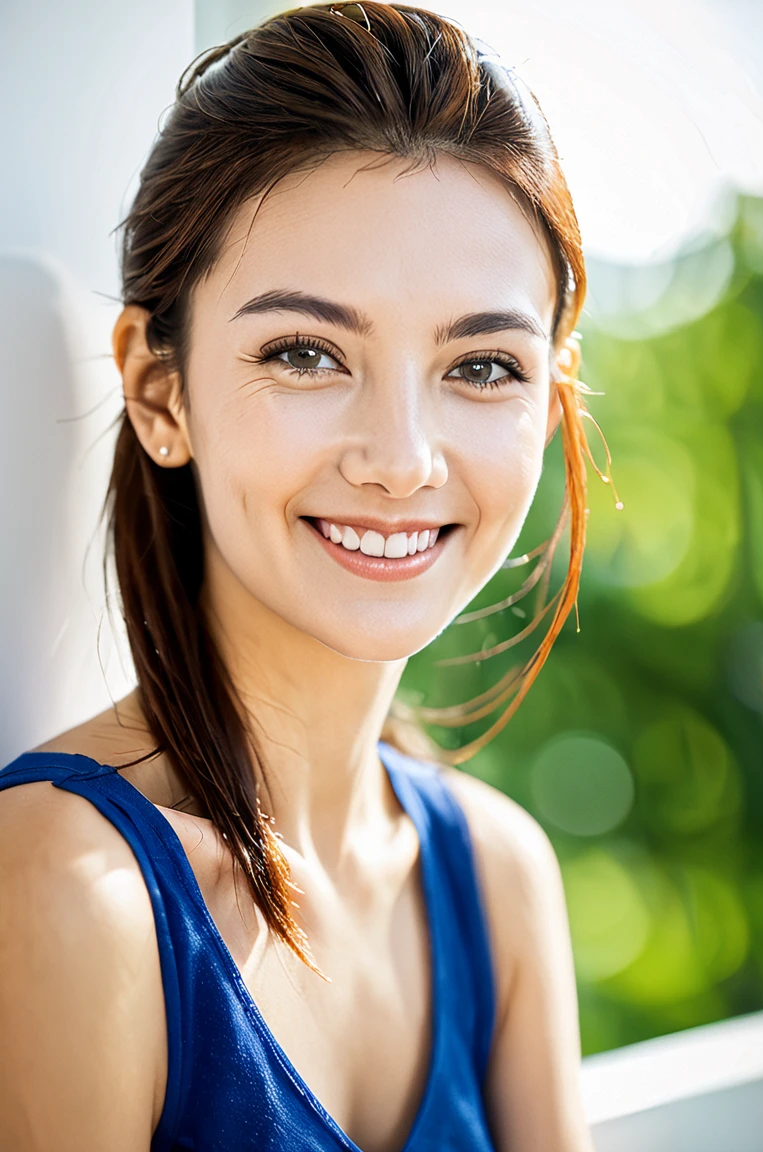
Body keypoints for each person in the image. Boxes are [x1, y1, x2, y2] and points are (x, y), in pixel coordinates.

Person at [0, 3, 606, 1149]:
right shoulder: (67, 890)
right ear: (158, 390)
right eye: (307, 352)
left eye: (481, 365)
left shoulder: (497, 876)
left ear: (551, 398)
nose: (401, 460)